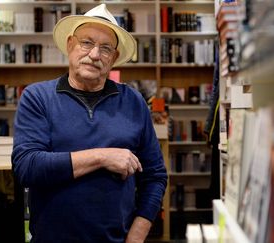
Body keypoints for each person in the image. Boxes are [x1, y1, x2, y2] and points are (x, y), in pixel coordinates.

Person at [12, 4, 167, 243]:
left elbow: (155, 176)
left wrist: (138, 232)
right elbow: (27, 166)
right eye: (87, 43)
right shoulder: (38, 97)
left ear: (114, 58)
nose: (94, 55)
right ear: (70, 44)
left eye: (105, 48)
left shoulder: (133, 102)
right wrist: (103, 156)